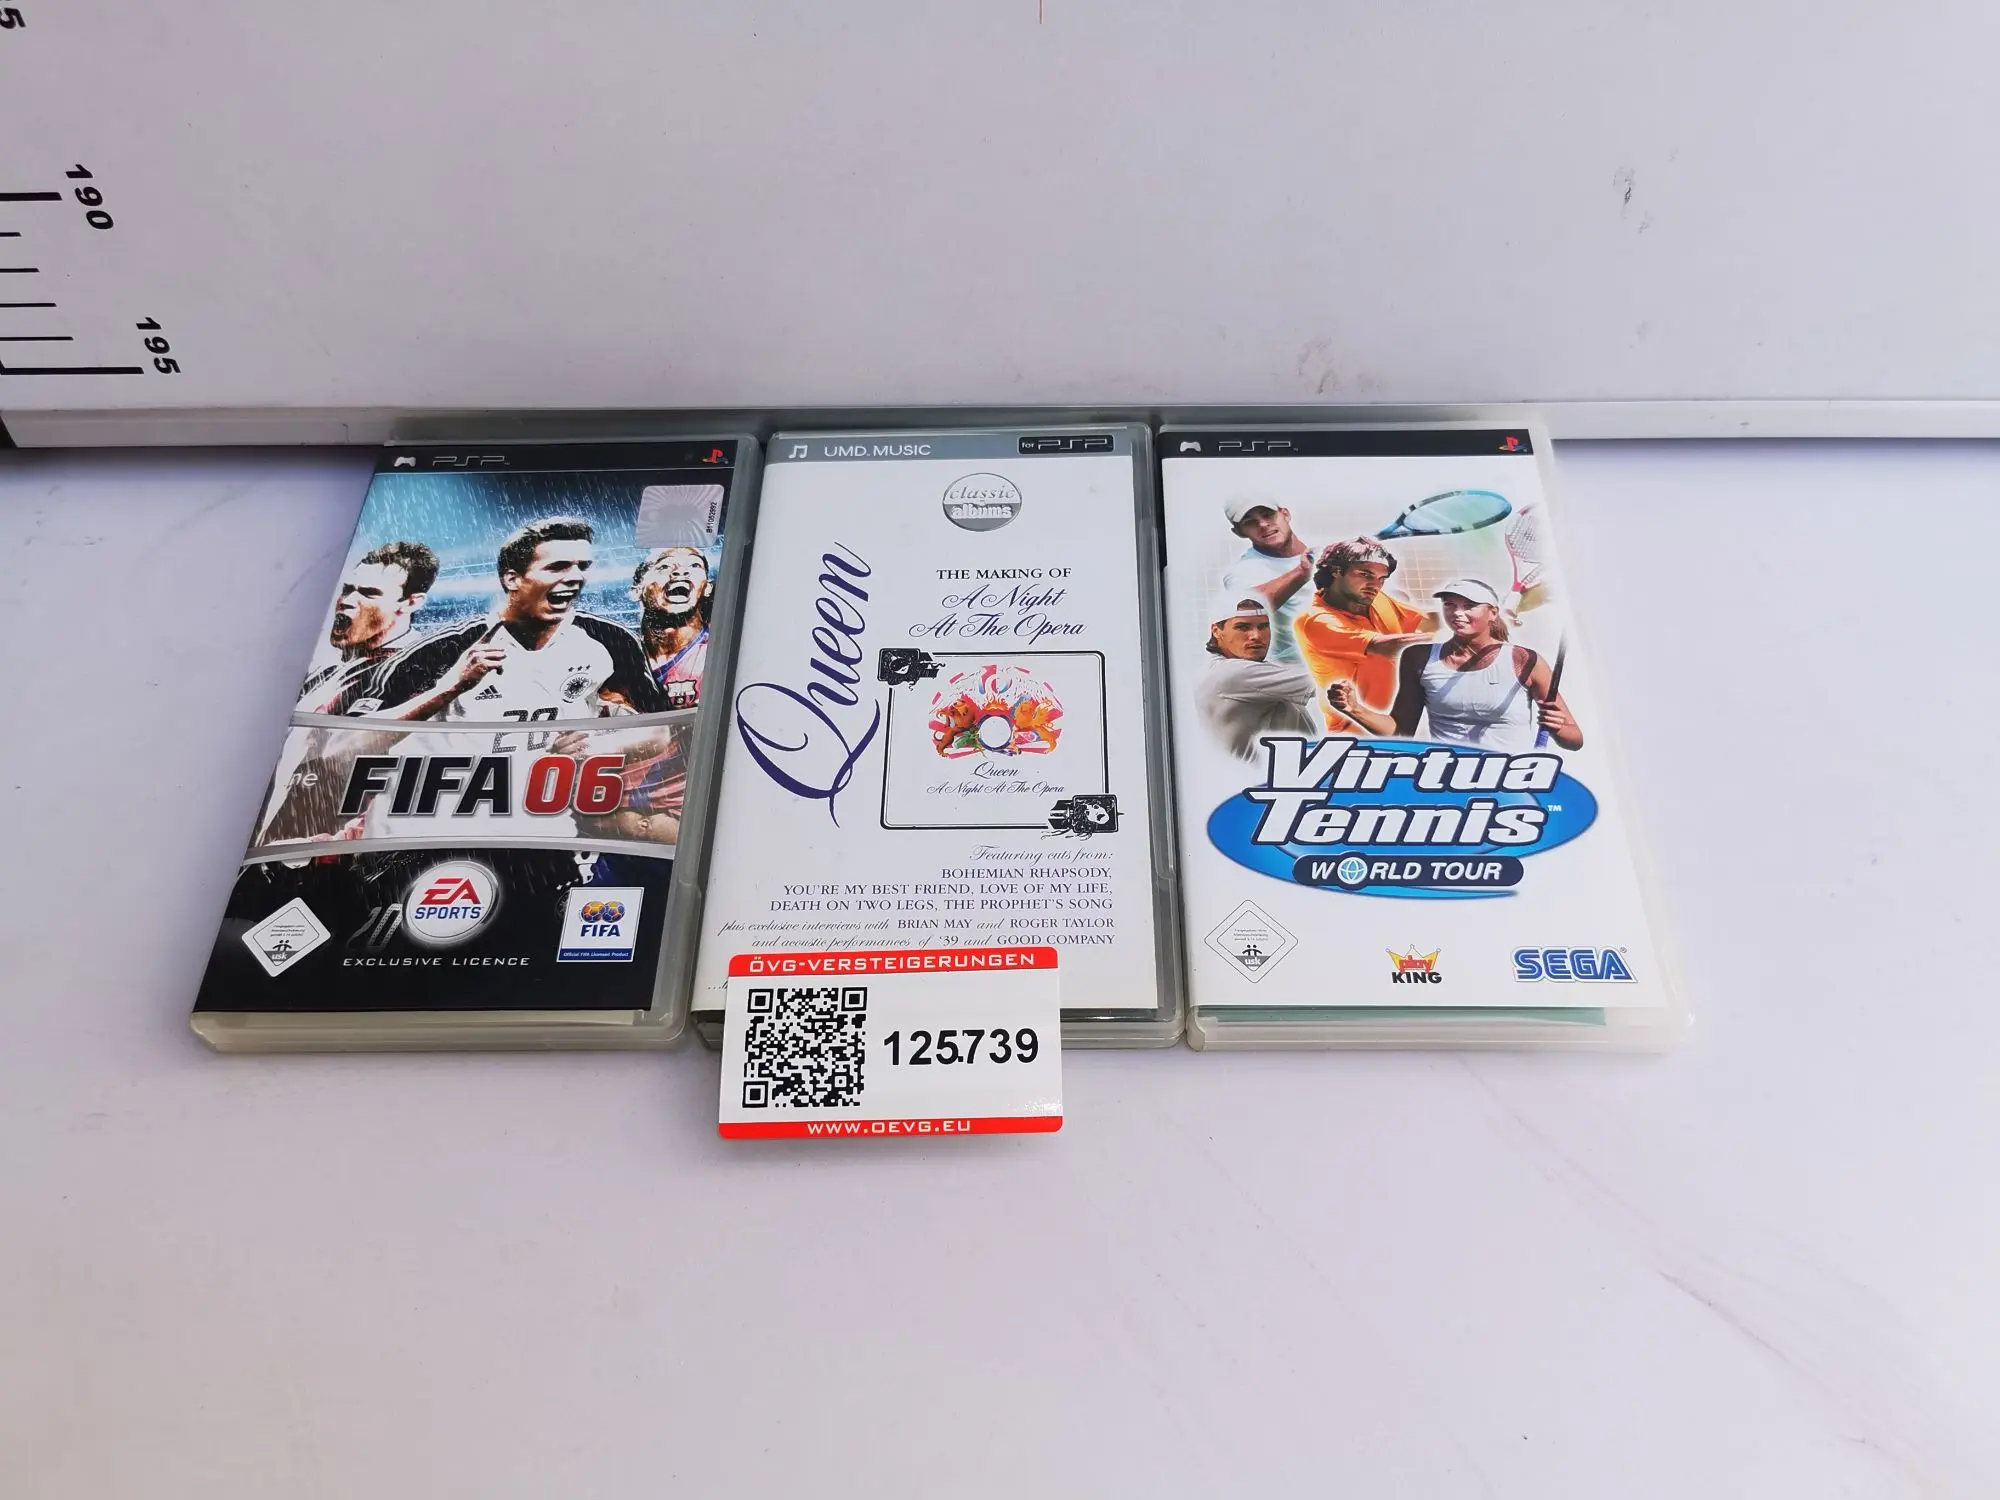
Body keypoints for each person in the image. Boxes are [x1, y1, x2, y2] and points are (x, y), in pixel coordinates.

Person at [358, 516, 668, 720]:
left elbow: (664, 729)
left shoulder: (612, 640)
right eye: (557, 567)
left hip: (552, 802)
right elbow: (346, 745)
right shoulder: (441, 650)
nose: (576, 577)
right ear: (512, 579)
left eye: (582, 567)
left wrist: (603, 744)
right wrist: (450, 687)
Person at [1329, 577, 1582, 751]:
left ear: (1493, 613)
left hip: (1511, 783)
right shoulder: (1418, 657)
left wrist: (1558, 728)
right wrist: (1354, 709)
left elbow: (1574, 738)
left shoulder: (1524, 660)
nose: (1457, 613)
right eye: (1450, 605)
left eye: (1470, 606)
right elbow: (1400, 731)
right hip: (1449, 783)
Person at [1293, 537, 1439, 731]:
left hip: (1400, 727)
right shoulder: (1314, 620)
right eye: (1365, 575)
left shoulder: (1374, 598)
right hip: (1355, 735)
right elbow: (1390, 648)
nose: (1375, 585)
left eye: (1382, 579)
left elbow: (1427, 621)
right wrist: (1458, 639)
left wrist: (1467, 618)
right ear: (1336, 571)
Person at [295, 541, 438, 713]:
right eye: (347, 590)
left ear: (411, 603)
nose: (346, 601)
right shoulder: (326, 666)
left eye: (369, 593)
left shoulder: (423, 669)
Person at [1194, 593, 1318, 760]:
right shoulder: (1232, 673)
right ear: (1216, 631)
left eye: (1263, 626)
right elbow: (1328, 681)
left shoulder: (1236, 669)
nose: (1256, 636)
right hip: (1253, 774)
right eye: (1243, 627)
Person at [1218, 495, 1313, 664]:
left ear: (1285, 514)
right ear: (1239, 532)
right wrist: (1302, 572)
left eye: (1267, 514)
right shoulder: (1242, 572)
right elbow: (1249, 609)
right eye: (1250, 522)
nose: (1262, 524)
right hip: (1295, 670)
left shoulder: (1325, 548)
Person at [631, 545, 712, 711]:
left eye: (694, 565)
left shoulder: (720, 653)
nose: (680, 571)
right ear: (636, 591)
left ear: (707, 588)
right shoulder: (618, 656)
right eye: (665, 566)